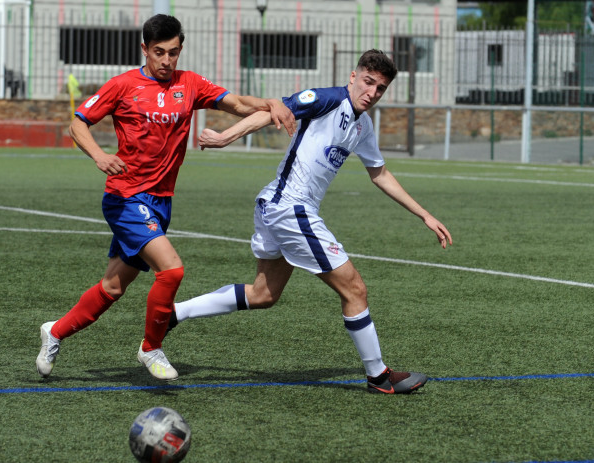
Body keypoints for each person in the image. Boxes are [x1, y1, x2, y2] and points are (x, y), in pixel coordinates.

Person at [167, 49, 452, 394]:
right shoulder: (328, 99)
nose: (372, 93)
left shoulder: (363, 125)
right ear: (352, 77)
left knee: (263, 294)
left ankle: (172, 313)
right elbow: (277, 110)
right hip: (290, 208)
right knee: (355, 289)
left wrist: (424, 214)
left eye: (380, 88)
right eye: (368, 82)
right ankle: (378, 375)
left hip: (277, 206)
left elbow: (379, 173)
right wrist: (226, 137)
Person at [35, 14, 295, 381]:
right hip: (125, 198)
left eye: (173, 53)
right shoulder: (123, 85)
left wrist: (270, 103)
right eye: (159, 52)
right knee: (171, 270)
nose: (166, 61)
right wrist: (100, 155)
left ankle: (55, 331)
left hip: (159, 201)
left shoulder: (189, 84)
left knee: (112, 287)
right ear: (145, 49)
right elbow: (78, 124)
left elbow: (235, 103)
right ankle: (150, 348)